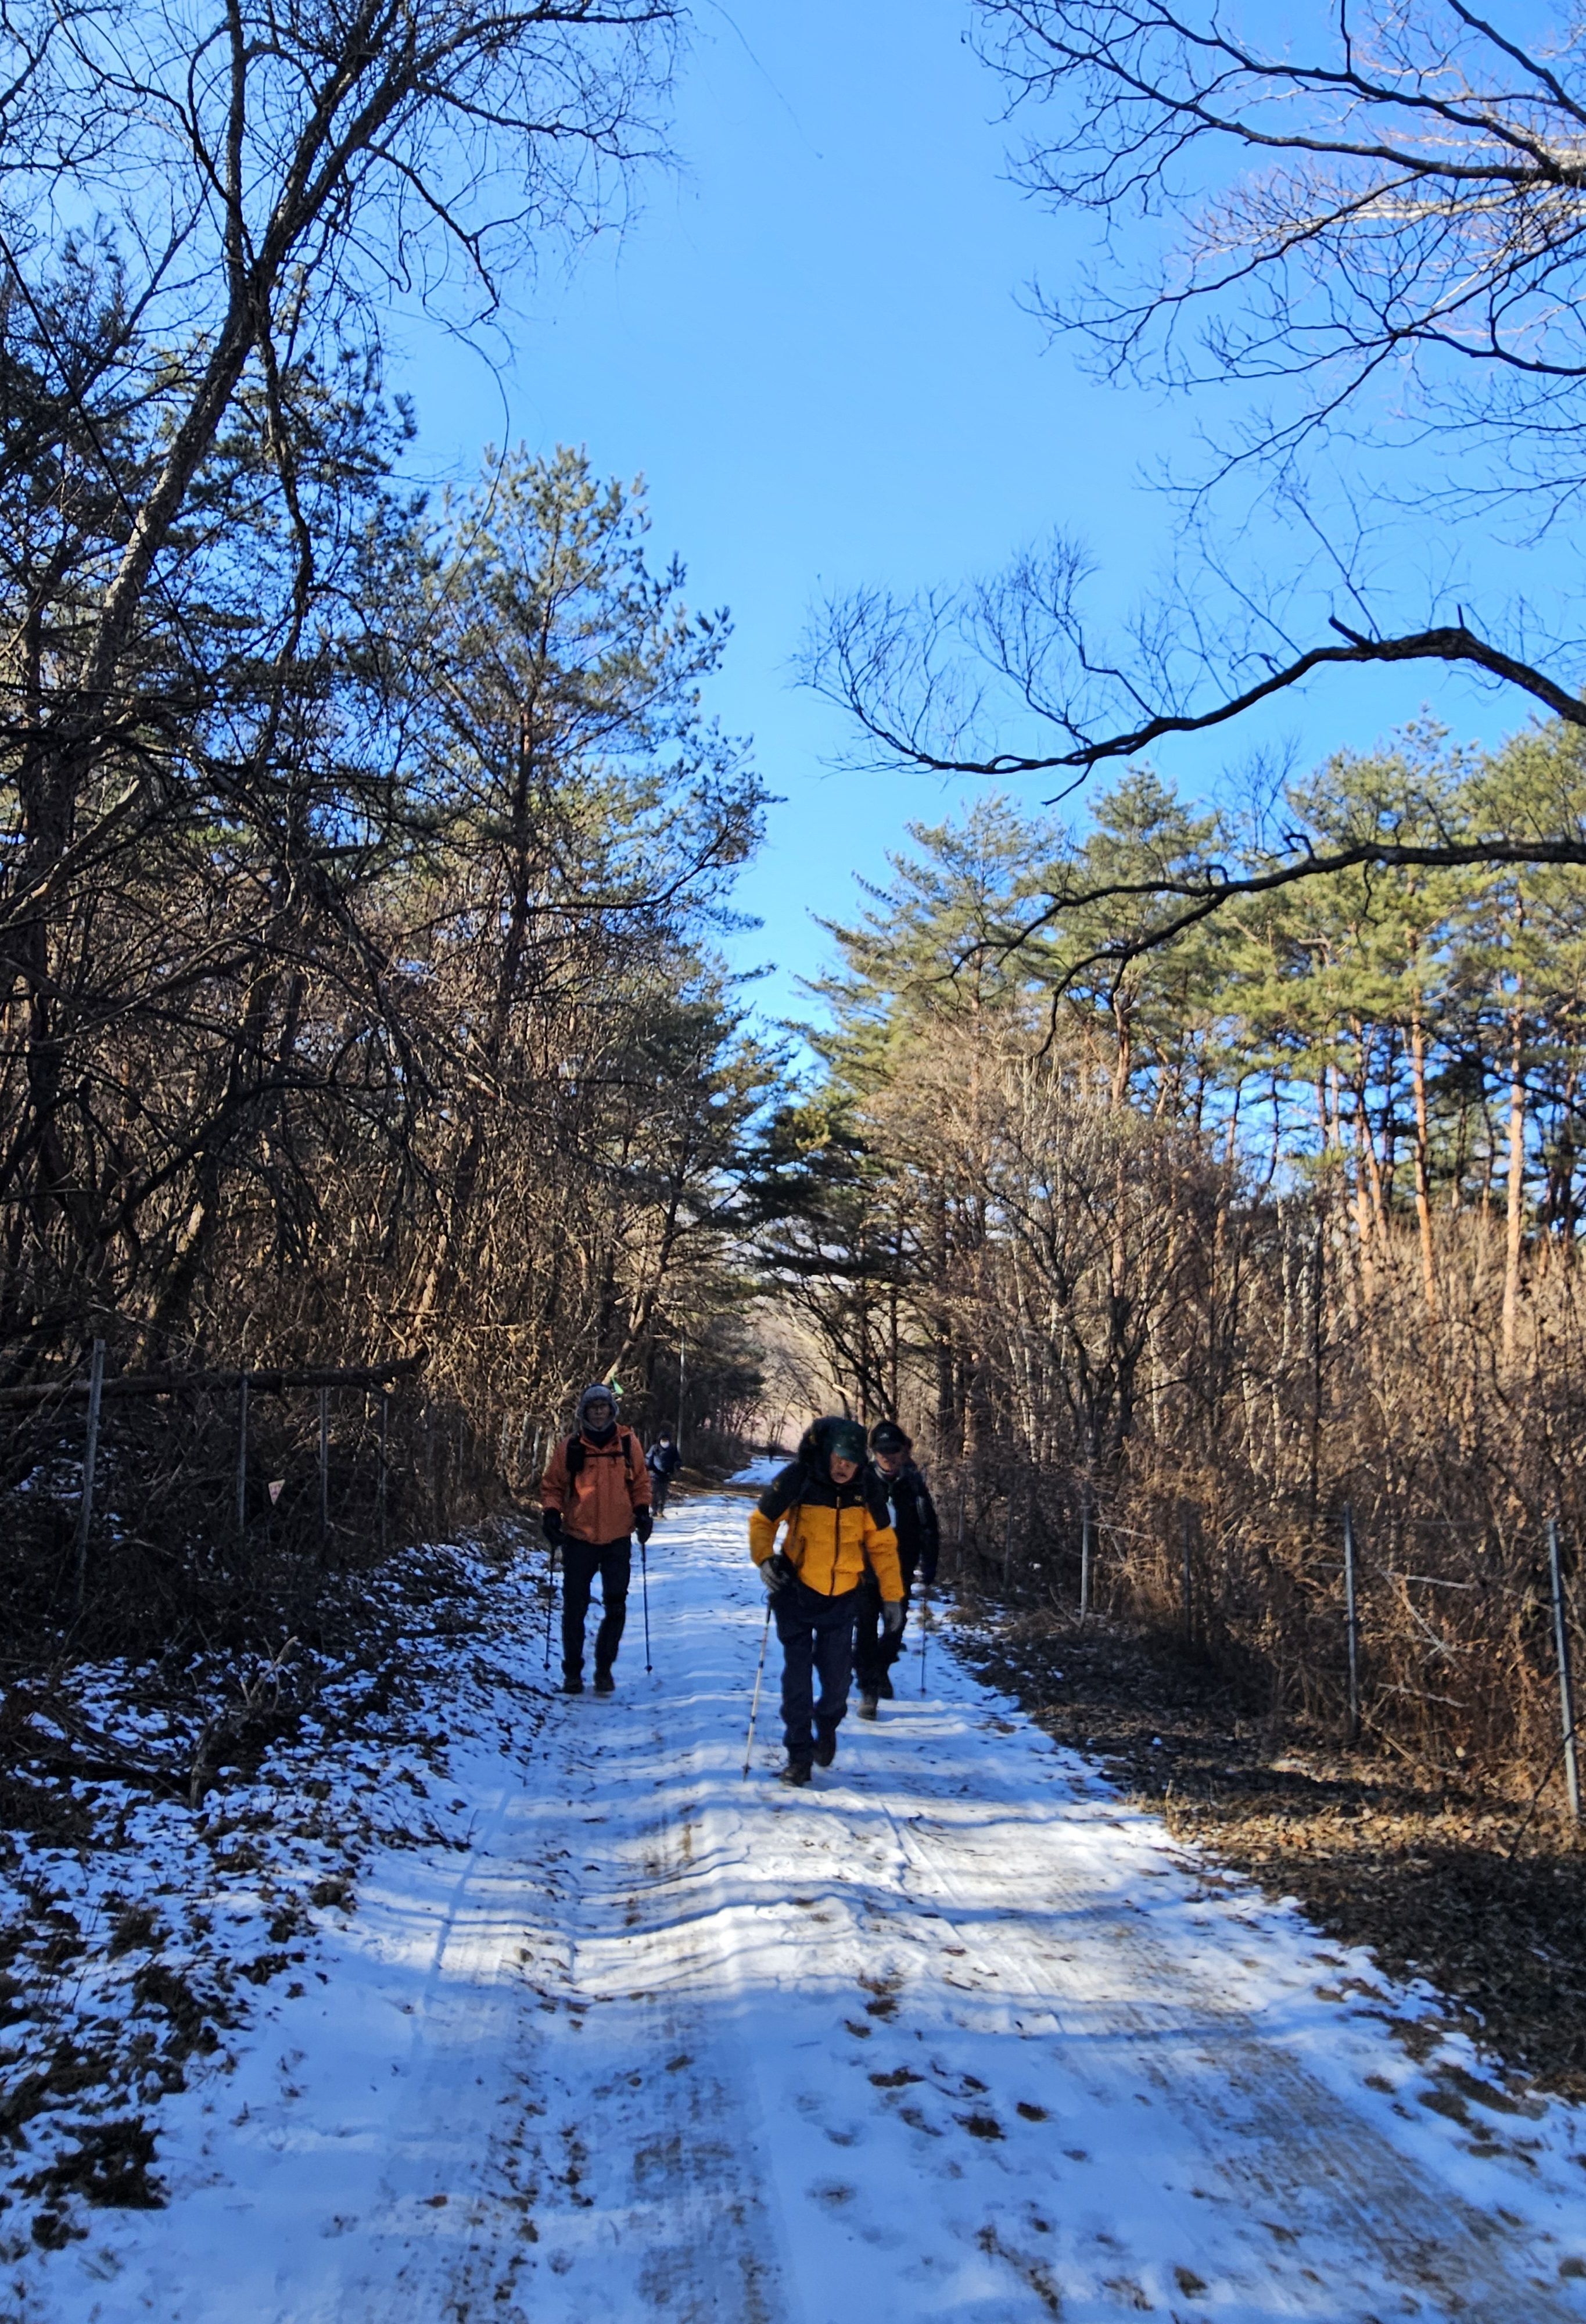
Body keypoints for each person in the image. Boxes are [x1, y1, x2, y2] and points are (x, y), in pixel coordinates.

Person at [749, 1415, 904, 1784]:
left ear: (861, 1462)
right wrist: (765, 1559)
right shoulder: (799, 1478)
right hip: (796, 1595)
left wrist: (892, 1597)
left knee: (837, 1684)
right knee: (797, 1683)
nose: (842, 1467)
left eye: (850, 1461)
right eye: (838, 1458)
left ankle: (828, 1724)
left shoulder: (867, 1489)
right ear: (827, 1453)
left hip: (842, 1599)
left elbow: (883, 1547)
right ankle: (799, 1757)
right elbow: (762, 1522)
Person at [540, 1384, 652, 1695]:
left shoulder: (628, 1443)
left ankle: (604, 1670)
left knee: (616, 1607)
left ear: (612, 1410)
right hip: (579, 1537)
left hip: (618, 1537)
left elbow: (641, 1483)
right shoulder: (570, 1446)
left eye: (604, 1406)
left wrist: (643, 1512)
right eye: (594, 1407)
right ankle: (572, 1674)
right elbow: (552, 1486)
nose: (599, 1412)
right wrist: (551, 1514)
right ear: (584, 1412)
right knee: (574, 1608)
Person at [853, 1420, 940, 1719]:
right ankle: (869, 1689)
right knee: (865, 1626)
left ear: (904, 1451)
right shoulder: (860, 1482)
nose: (888, 1457)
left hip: (901, 1568)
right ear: (873, 1452)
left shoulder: (914, 1485)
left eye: (893, 1450)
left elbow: (929, 1526)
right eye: (882, 1451)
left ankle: (881, 1669)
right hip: (864, 1569)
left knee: (895, 1625)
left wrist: (930, 1563)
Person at [646, 1428, 681, 1518]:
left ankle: (660, 1510)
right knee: (654, 1493)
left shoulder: (673, 1449)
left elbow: (678, 1460)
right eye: (663, 1440)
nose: (665, 1442)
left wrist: (676, 1466)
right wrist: (649, 1467)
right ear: (660, 1440)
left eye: (666, 1440)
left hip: (666, 1475)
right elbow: (648, 1459)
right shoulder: (655, 1448)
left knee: (663, 1494)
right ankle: (654, 1510)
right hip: (655, 1475)